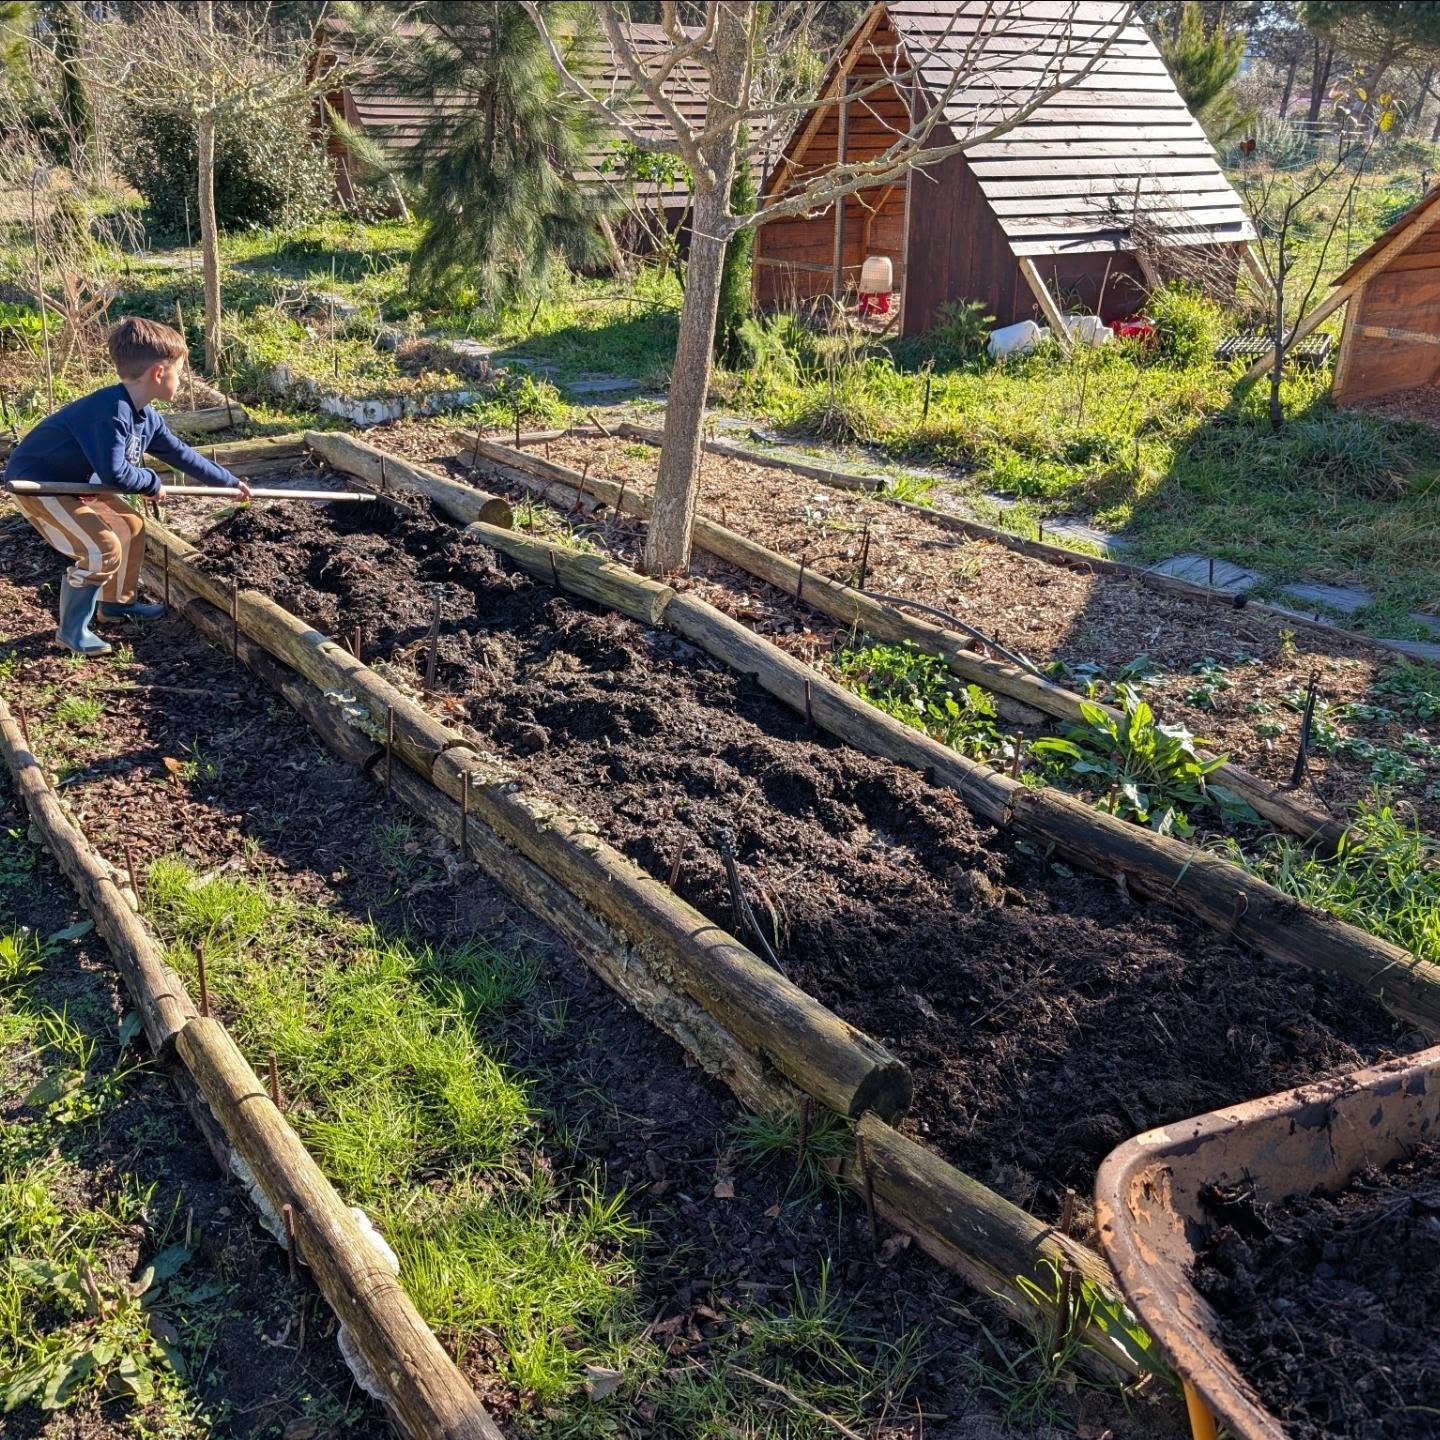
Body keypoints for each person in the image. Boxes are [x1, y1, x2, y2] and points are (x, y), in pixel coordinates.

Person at [6, 317, 251, 656]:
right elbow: (115, 475)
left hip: (75, 482)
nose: (180, 379)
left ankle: (116, 605)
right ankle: (72, 631)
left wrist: (229, 483)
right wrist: (151, 482)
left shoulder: (146, 416)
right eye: (179, 371)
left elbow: (180, 454)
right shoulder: (109, 411)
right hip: (41, 485)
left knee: (129, 524)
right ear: (158, 373)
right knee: (100, 547)